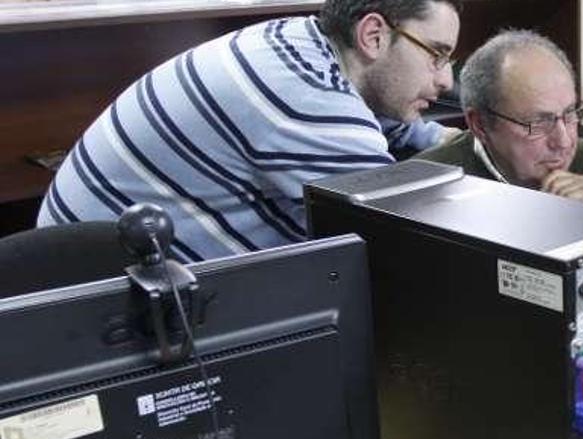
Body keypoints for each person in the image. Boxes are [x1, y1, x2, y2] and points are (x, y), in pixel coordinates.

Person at [37, 0, 462, 262]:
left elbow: (395, 125)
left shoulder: (300, 43)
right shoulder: (310, 104)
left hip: (93, 253)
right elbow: (408, 244)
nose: (445, 81)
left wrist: (446, 137)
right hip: (103, 301)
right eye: (437, 55)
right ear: (373, 35)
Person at [414, 30, 583, 213]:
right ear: (480, 124)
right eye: (539, 122)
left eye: (570, 113)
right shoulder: (425, 188)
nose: (564, 141)